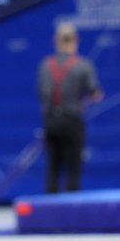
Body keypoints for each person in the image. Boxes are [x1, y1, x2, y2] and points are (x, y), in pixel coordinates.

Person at [37, 23, 102, 194]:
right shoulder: (83, 65)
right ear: (76, 41)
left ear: (55, 41)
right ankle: (73, 212)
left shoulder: (45, 65)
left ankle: (49, 213)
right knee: (74, 168)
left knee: (53, 167)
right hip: (72, 120)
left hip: (51, 121)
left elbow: (42, 94)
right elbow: (94, 92)